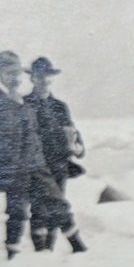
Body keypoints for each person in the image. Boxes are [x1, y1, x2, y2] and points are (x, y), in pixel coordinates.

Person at [0, 51, 85, 259]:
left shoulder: (27, 102)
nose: (14, 77)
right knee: (20, 212)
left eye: (16, 72)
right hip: (14, 167)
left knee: (58, 204)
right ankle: (17, 256)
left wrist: (75, 147)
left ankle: (78, 248)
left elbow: (52, 133)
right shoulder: (10, 102)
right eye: (8, 73)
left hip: (41, 165)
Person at [23, 57, 87, 250]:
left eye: (47, 76)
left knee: (51, 207)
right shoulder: (24, 105)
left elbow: (73, 133)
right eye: (39, 76)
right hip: (35, 165)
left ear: (51, 78)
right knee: (45, 206)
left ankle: (46, 251)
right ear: (32, 78)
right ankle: (72, 245)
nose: (43, 80)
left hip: (59, 164)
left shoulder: (59, 106)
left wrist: (78, 148)